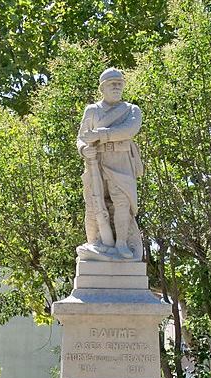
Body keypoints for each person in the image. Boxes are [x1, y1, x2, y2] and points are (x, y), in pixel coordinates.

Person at [76, 68, 144, 261]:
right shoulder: (92, 110)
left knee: (122, 203)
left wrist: (100, 135)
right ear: (102, 88)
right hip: (96, 162)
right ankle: (96, 242)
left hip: (121, 162)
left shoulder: (132, 110)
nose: (116, 86)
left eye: (119, 83)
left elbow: (129, 130)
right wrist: (83, 149)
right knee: (94, 204)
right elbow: (81, 138)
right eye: (112, 83)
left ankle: (121, 243)